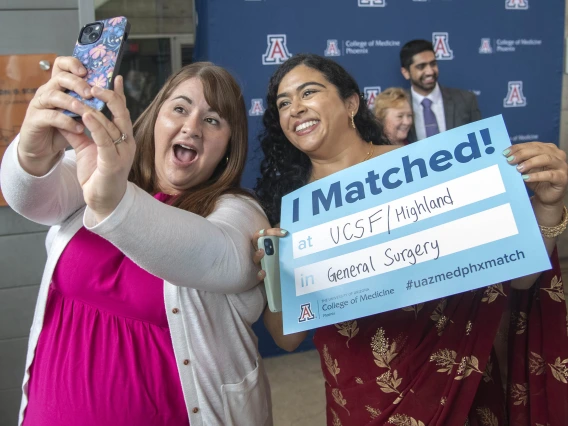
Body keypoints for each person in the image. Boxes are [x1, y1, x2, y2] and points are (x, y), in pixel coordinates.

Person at [253, 53, 568, 425]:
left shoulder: (426, 170)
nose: (295, 108)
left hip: (449, 389)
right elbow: (288, 339)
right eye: (284, 103)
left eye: (308, 92)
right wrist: (277, 274)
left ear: (351, 103)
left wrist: (549, 208)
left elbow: (519, 279)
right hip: (357, 397)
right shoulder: (291, 214)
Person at [0, 57, 272, 426]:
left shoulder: (240, 212)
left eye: (212, 120)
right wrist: (32, 151)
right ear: (155, 118)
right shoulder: (102, 169)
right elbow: (30, 197)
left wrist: (112, 198)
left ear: (228, 146)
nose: (191, 127)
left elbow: (218, 258)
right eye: (179, 109)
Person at [400, 39, 481, 143]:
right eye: (421, 66)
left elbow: (479, 142)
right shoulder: (396, 106)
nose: (430, 71)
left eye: (433, 64)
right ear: (406, 72)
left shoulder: (466, 100)